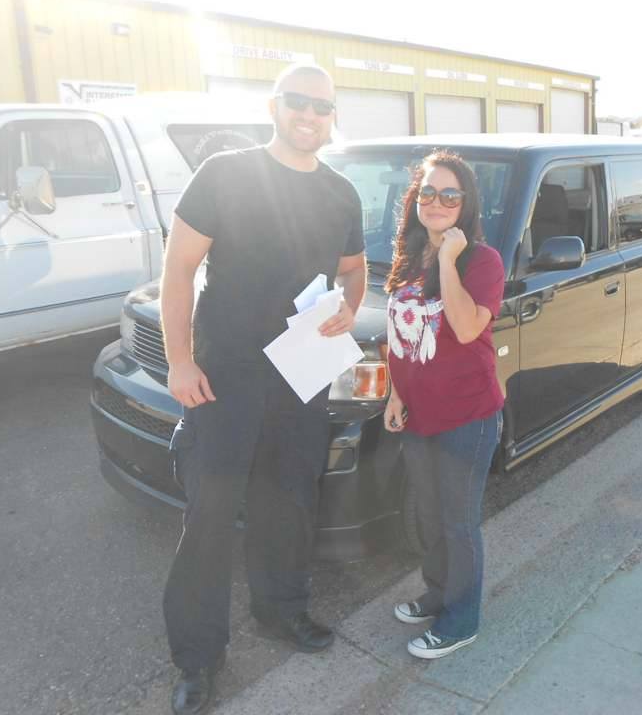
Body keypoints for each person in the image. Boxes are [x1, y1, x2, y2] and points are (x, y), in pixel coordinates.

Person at [161, 63, 366, 715]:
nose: (309, 115)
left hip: (302, 375)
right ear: (274, 106)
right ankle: (199, 656)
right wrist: (179, 361)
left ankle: (280, 610)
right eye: (298, 101)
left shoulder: (341, 193)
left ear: (333, 118)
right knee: (211, 513)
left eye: (321, 106)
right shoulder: (225, 173)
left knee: (289, 501)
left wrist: (349, 306)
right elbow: (178, 269)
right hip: (226, 376)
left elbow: (354, 270)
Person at [383, 149, 505, 659]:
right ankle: (438, 594)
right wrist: (395, 392)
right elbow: (398, 332)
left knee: (458, 522)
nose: (436, 202)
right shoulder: (410, 256)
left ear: (466, 203)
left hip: (467, 417)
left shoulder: (482, 261)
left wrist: (450, 262)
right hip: (418, 414)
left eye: (449, 194)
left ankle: (461, 620)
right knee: (430, 518)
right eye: (427, 192)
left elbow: (466, 327)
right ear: (415, 199)